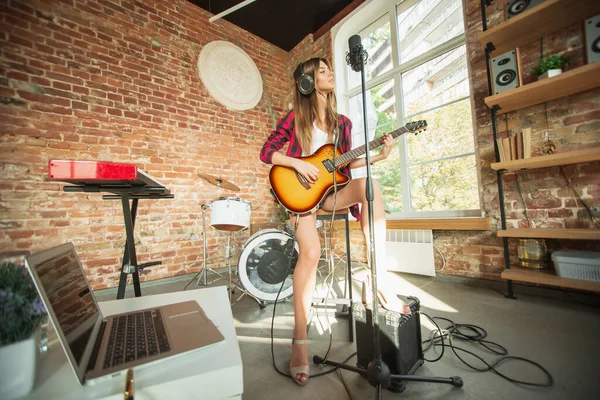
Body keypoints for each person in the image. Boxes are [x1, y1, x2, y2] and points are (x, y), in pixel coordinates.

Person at [259, 57, 410, 386]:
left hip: (331, 194)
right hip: (300, 197)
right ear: (308, 81)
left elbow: (343, 169)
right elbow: (267, 151)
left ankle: (380, 278)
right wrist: (298, 165)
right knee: (310, 254)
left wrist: (379, 156)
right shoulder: (296, 117)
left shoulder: (342, 122)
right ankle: (300, 340)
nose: (329, 74)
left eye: (329, 69)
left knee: (371, 185)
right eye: (322, 70)